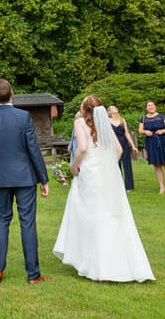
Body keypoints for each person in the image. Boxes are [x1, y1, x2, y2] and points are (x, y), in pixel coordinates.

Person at [53, 96, 153, 283]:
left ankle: (98, 266)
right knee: (113, 217)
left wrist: (74, 167)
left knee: (92, 218)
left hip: (89, 175)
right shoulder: (105, 123)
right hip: (108, 177)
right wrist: (108, 167)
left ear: (85, 108)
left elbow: (82, 148)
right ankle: (119, 265)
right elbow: (119, 150)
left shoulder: (80, 123)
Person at [0, 79, 51, 284]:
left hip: (0, 177)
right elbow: (33, 149)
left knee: (2, 220)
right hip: (25, 176)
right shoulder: (23, 116)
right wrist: (43, 178)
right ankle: (33, 275)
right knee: (27, 222)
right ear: (12, 94)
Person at [138, 101, 165, 194]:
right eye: (149, 106)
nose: (151, 107)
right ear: (146, 108)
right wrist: (145, 132)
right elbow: (140, 130)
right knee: (156, 165)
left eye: (152, 105)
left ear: (155, 107)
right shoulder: (143, 119)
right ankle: (162, 187)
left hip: (164, 141)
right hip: (151, 142)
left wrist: (162, 131)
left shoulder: (162, 116)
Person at [106, 106, 139, 192]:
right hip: (113, 145)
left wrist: (133, 146)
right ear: (109, 111)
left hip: (124, 143)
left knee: (127, 165)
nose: (115, 108)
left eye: (115, 107)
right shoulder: (107, 121)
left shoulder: (122, 120)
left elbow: (127, 134)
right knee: (116, 165)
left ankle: (129, 186)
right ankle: (118, 185)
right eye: (112, 108)